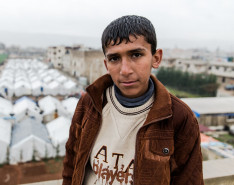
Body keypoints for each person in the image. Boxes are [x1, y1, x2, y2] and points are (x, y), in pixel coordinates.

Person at [62, 15, 203, 185]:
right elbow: (71, 163)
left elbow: (188, 180)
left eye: (136, 55)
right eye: (114, 58)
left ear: (156, 58)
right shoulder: (90, 104)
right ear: (107, 65)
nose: (125, 70)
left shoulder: (179, 117)